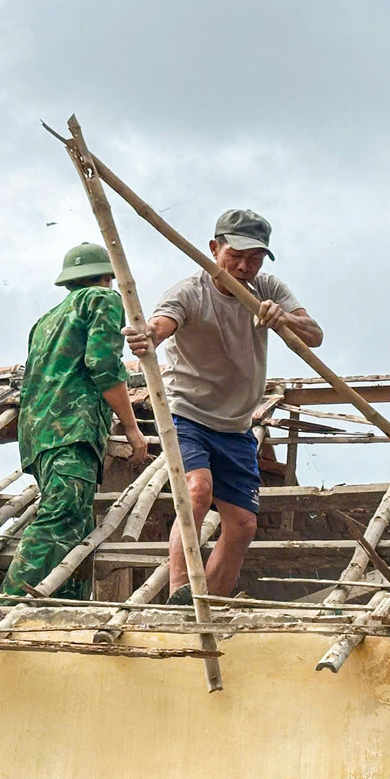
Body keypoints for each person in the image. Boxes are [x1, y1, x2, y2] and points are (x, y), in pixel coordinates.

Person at [125, 209, 323, 603]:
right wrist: (147, 336)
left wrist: (284, 318)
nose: (245, 266)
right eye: (236, 255)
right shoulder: (189, 292)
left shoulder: (266, 288)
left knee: (243, 525)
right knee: (197, 491)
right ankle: (181, 592)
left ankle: (206, 602)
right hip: (188, 414)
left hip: (236, 425)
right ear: (215, 249)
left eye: (255, 258)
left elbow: (314, 335)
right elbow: (161, 324)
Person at [0, 244, 148, 601]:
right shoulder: (102, 299)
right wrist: (130, 426)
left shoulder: (46, 319)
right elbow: (103, 365)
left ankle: (68, 606)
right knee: (62, 517)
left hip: (41, 435)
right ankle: (3, 606)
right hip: (72, 430)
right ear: (107, 276)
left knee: (77, 525)